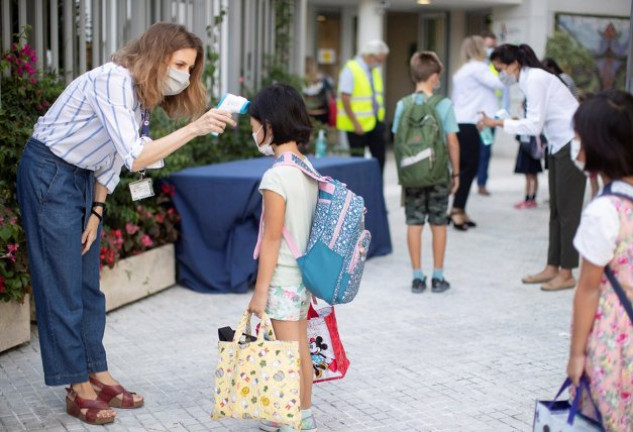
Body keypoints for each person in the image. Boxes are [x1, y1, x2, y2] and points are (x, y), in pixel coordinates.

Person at [16, 22, 236, 425]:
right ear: (157, 56)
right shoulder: (115, 81)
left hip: (81, 179)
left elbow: (112, 158)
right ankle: (75, 384)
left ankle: (97, 372)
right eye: (181, 64)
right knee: (62, 285)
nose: (185, 76)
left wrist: (97, 211)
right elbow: (136, 156)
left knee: (87, 286)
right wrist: (196, 126)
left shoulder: (140, 95)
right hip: (50, 172)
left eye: (190, 68)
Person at [481, 43, 585, 291]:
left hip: (572, 145)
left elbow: (534, 126)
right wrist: (505, 121)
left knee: (568, 212)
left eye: (500, 69)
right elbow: (535, 122)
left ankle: (567, 272)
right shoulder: (528, 80)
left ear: (514, 64)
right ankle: (552, 266)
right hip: (558, 144)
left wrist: (498, 122)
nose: (500, 75)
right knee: (556, 211)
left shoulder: (535, 79)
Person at [246, 84, 319, 432]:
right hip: (302, 278)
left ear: (269, 126)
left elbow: (272, 238)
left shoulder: (276, 176)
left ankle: (295, 420)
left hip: (284, 279)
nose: (253, 133)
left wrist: (260, 293)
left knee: (288, 355)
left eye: (254, 126)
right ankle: (300, 414)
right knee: (299, 349)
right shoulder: (306, 167)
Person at [566, 90, 633, 432]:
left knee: (607, 418)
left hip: (613, 340)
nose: (577, 153)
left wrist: (577, 355)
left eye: (579, 143)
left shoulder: (604, 212)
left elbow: (588, 289)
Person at [392, 51, 460, 293]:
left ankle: (417, 277)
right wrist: (456, 174)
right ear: (434, 77)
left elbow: (398, 139)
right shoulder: (444, 105)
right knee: (439, 223)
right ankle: (438, 277)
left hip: (412, 175)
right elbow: (452, 142)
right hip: (438, 173)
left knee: (414, 222)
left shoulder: (402, 105)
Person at [449, 35, 504, 230]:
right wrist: (503, 67)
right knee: (469, 168)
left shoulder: (463, 70)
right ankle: (457, 210)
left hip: (460, 122)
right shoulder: (478, 68)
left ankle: (459, 208)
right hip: (471, 123)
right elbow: (499, 83)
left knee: (463, 167)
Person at [336, 39, 389, 175]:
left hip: (375, 122)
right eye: (379, 59)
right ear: (370, 57)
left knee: (379, 161)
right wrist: (355, 122)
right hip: (356, 126)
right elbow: (345, 98)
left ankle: (376, 192)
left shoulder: (374, 71)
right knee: (357, 164)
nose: (380, 63)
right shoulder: (351, 69)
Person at [476, 30, 509, 196]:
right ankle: (469, 179)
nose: (490, 49)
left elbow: (505, 94)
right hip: (474, 118)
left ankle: (481, 183)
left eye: (492, 46)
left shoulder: (499, 69)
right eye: (487, 46)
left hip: (491, 117)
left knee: (485, 151)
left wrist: (501, 116)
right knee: (472, 151)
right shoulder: (477, 66)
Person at [513, 100, 544, 209]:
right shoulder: (527, 119)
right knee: (531, 175)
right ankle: (529, 198)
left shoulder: (530, 120)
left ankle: (530, 199)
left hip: (531, 149)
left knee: (531, 176)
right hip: (529, 149)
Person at [302, 56, 334, 125]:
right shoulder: (302, 79)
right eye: (307, 64)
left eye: (311, 65)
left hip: (320, 112)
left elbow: (329, 92)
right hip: (309, 112)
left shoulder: (322, 78)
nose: (309, 67)